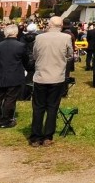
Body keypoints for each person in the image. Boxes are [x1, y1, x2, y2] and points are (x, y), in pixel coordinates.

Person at [29, 16, 73, 147]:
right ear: (61, 26)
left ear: (49, 25)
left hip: (41, 77)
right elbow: (70, 55)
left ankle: (36, 137)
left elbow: (35, 54)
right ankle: (48, 136)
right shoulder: (66, 38)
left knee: (38, 107)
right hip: (57, 77)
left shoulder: (39, 37)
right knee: (52, 107)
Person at [0, 24, 26, 128]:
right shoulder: (20, 46)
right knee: (10, 99)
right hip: (14, 75)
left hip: (0, 74)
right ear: (15, 33)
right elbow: (25, 61)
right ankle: (6, 120)